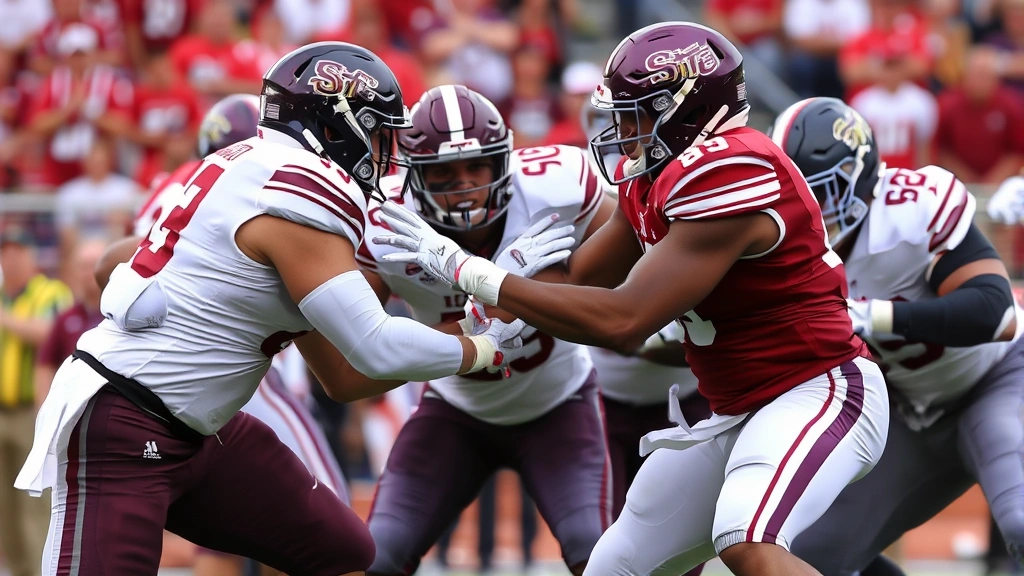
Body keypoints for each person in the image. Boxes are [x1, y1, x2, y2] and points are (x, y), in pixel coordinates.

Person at [373, 22, 890, 576]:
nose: (622, 128)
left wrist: (472, 272)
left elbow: (623, 320)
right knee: (612, 567)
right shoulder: (654, 179)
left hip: (816, 387)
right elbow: (576, 281)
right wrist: (505, 287)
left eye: (637, 111)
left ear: (689, 109)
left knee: (748, 538)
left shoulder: (731, 165)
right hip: (737, 408)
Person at [14, 42, 538, 576]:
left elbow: (345, 375)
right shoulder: (299, 190)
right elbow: (375, 350)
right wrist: (480, 349)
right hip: (126, 421)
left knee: (343, 552)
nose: (387, 150)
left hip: (206, 428)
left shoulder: (255, 168)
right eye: (378, 130)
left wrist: (462, 330)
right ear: (336, 126)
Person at [361, 84, 613, 576]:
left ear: (504, 163)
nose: (464, 186)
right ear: (413, 176)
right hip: (453, 412)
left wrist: (543, 281)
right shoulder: (383, 224)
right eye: (444, 172)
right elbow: (358, 356)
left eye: (476, 167)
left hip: (558, 406)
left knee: (598, 554)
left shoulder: (556, 186)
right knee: (377, 555)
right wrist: (497, 296)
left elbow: (621, 271)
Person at [768, 98, 1024, 576]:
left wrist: (873, 318)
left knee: (1020, 520)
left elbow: (997, 311)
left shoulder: (909, 208)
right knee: (803, 555)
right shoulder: (774, 247)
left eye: (820, 192)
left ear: (859, 177)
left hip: (996, 380)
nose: (808, 211)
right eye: (792, 193)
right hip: (908, 415)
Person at [0, 228, 72, 576]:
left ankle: (40, 571)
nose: (11, 258)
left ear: (31, 257)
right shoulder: (2, 295)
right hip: (1, 411)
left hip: (32, 411)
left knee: (35, 502)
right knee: (4, 506)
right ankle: (17, 570)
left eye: (18, 251)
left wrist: (7, 320)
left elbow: (49, 333)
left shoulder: (50, 292)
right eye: (6, 252)